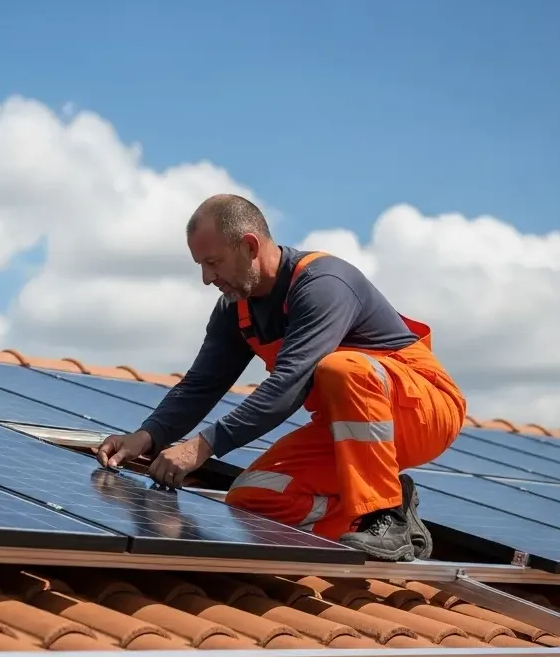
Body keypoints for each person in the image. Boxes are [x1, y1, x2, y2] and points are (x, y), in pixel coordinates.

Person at [94, 194, 467, 561]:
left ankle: (383, 514)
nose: (207, 278)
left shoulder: (323, 283)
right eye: (200, 266)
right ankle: (378, 522)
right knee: (252, 498)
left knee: (342, 368)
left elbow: (289, 383)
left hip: (423, 411)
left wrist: (201, 447)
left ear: (250, 245)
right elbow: (201, 385)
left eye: (213, 262)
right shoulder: (234, 311)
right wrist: (146, 436)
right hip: (351, 429)